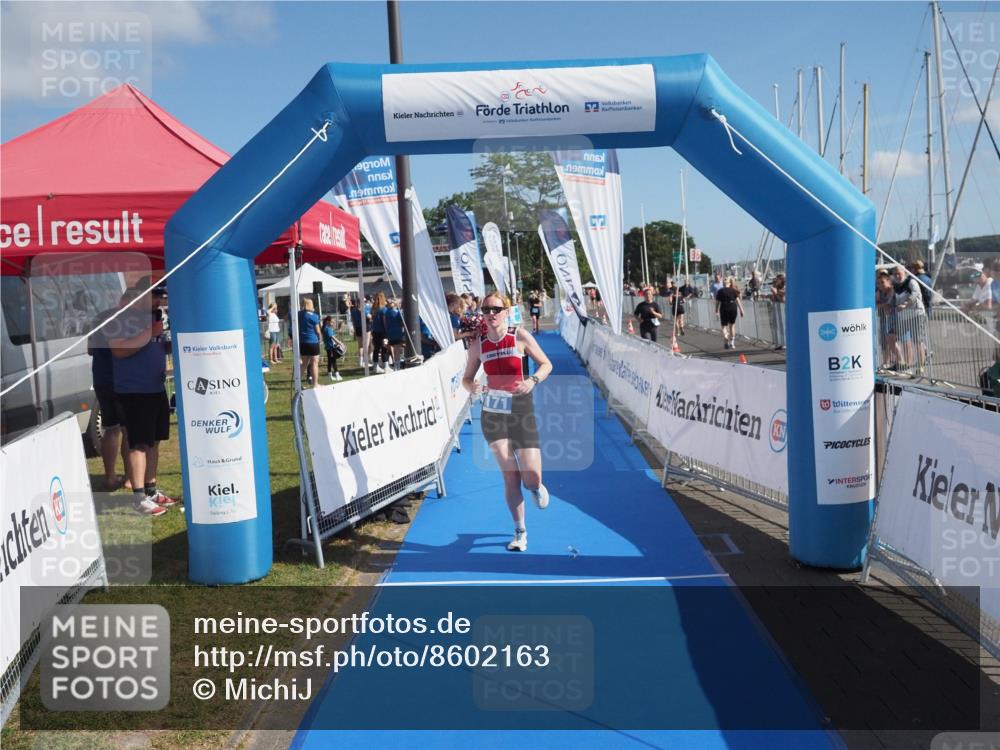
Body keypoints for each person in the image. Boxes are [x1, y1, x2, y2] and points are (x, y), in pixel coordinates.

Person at [462, 292, 553, 552]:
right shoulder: (478, 345)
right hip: (493, 412)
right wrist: (474, 387)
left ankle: (534, 487)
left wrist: (532, 380)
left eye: (496, 309)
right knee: (510, 475)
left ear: (506, 310)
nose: (491, 313)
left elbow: (547, 364)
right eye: (487, 309)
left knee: (530, 476)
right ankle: (520, 531)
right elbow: (467, 379)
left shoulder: (520, 336)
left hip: (520, 408)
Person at [108, 288, 178, 516]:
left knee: (154, 441)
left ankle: (151, 489)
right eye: (155, 296)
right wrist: (149, 333)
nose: (160, 300)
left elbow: (155, 345)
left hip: (155, 388)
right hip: (133, 391)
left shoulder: (154, 319)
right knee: (138, 443)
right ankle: (139, 498)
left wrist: (168, 343)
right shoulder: (121, 320)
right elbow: (118, 350)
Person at [88, 297, 130, 491]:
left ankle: (110, 476)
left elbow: (89, 349)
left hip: (101, 378)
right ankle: (130, 477)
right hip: (120, 379)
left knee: (110, 429)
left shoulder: (99, 318)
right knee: (128, 430)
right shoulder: (126, 319)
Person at [875, 272, 899, 371]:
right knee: (884, 342)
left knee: (892, 340)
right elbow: (876, 303)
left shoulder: (893, 290)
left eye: (882, 282)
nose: (880, 285)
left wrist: (883, 304)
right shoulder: (879, 292)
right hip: (884, 318)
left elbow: (888, 305)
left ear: (888, 282)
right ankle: (886, 361)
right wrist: (882, 305)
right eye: (878, 283)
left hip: (895, 318)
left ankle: (900, 361)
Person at [298, 297, 322, 386]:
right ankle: (315, 383)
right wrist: (320, 339)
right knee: (315, 363)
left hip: (303, 342)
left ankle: (298, 383)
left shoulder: (299, 315)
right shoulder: (314, 316)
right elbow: (318, 331)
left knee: (303, 364)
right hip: (313, 342)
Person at [715, 277, 744, 350]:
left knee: (724, 326)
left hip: (724, 307)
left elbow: (717, 302)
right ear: (730, 283)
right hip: (733, 307)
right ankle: (732, 342)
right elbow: (738, 301)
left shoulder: (720, 291)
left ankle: (726, 337)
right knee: (732, 325)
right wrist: (741, 310)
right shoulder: (734, 291)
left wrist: (716, 311)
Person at [382, 297, 405, 369]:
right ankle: (397, 365)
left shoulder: (387, 312)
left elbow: (385, 323)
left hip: (390, 332)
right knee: (397, 350)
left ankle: (394, 363)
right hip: (397, 332)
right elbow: (402, 323)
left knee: (392, 348)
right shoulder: (398, 313)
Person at [369, 292, 389, 373]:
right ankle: (386, 367)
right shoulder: (383, 309)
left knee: (376, 349)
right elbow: (385, 322)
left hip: (375, 331)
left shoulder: (373, 309)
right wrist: (387, 332)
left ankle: (375, 367)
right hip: (383, 332)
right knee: (384, 349)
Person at [322, 315, 345, 381]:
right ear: (327, 322)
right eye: (332, 322)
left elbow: (332, 335)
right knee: (334, 361)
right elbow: (332, 337)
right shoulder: (328, 328)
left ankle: (330, 375)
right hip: (331, 348)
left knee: (330, 361)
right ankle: (337, 375)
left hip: (328, 347)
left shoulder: (325, 328)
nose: (333, 323)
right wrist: (340, 343)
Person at [770, 273, 787, 350]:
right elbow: (774, 299)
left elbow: (783, 300)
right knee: (777, 326)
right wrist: (773, 295)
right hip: (777, 308)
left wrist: (776, 293)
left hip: (783, 309)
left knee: (783, 325)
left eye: (778, 279)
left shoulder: (785, 288)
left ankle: (784, 343)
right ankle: (779, 343)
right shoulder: (777, 288)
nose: (776, 281)